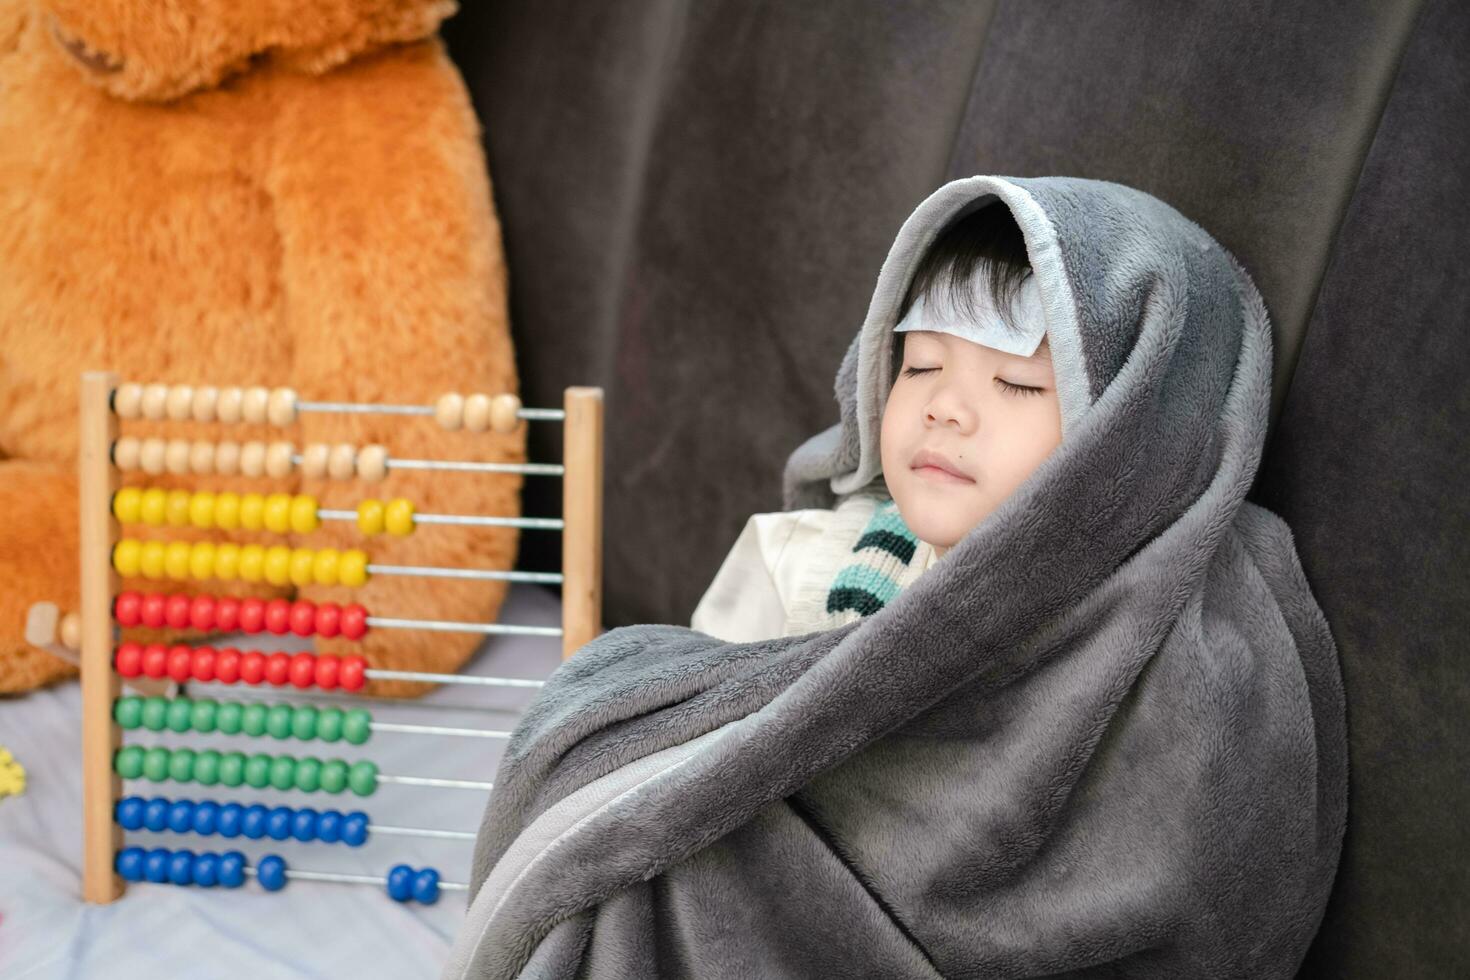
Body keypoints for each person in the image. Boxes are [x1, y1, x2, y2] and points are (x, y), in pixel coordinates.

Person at [691, 199, 1062, 640]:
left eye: (1016, 381)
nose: (944, 405)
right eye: (922, 365)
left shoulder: (1124, 641)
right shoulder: (792, 564)